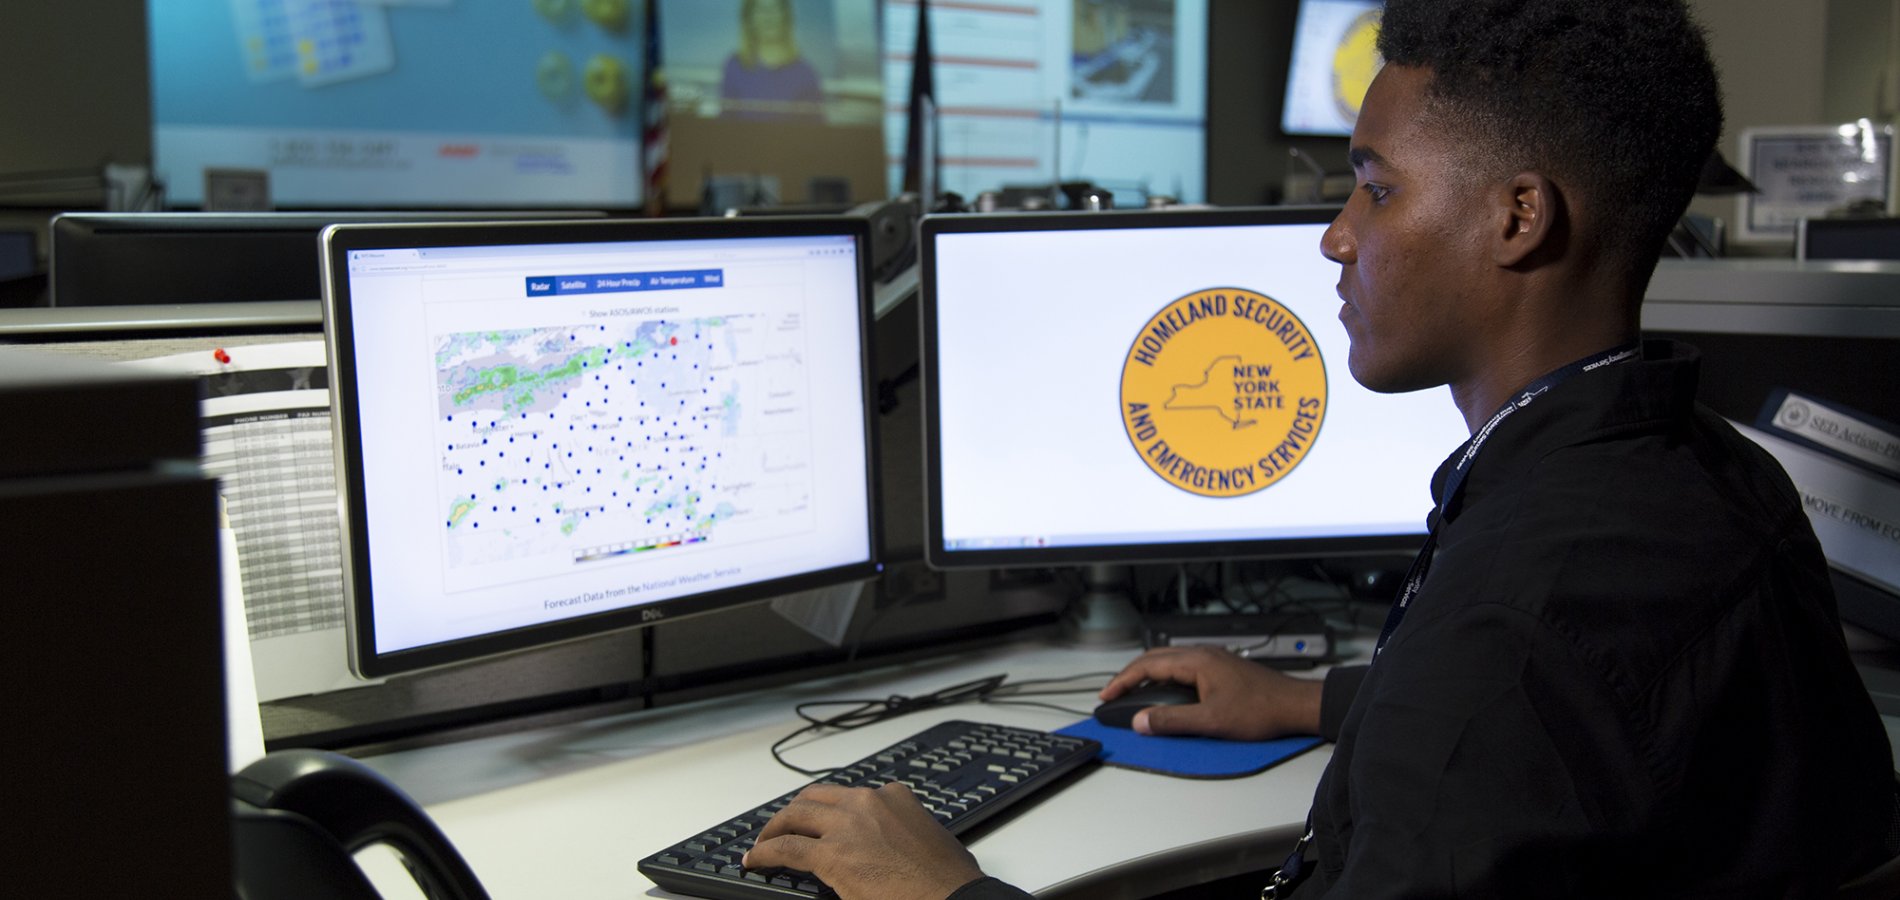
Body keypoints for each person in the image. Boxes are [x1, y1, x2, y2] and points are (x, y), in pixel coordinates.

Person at [742, 1, 1900, 897]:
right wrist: (1320, 702)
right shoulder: (1708, 475)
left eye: (1376, 188)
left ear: (1518, 217)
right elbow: (1593, 726)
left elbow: (1516, 692)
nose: (1337, 237)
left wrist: (943, 888)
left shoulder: (1516, 625)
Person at [720, 0, 825, 123]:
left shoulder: (805, 73)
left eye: (775, 9)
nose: (768, 17)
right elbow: (725, 125)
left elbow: (816, 131)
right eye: (761, 10)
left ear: (786, 16)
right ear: (749, 19)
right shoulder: (735, 67)